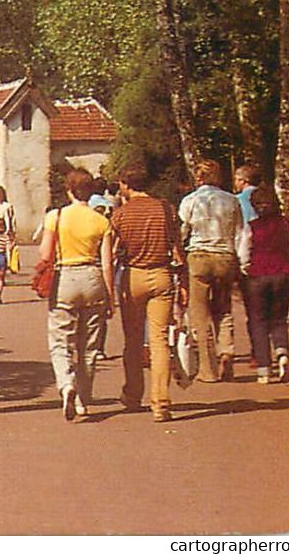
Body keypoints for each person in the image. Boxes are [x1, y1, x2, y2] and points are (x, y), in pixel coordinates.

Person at [108, 164, 182, 421]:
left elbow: (114, 248)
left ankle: (132, 393)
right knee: (160, 341)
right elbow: (177, 247)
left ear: (126, 185)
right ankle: (160, 402)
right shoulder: (166, 209)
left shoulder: (120, 214)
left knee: (133, 340)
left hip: (132, 276)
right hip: (161, 275)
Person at [41, 168, 113, 420]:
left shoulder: (55, 217)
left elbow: (44, 254)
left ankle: (66, 384)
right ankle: (83, 398)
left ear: (69, 190)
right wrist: (110, 296)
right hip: (92, 277)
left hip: (64, 279)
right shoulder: (101, 221)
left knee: (61, 340)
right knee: (89, 345)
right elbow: (107, 263)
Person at [178, 158, 243, 383]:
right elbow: (240, 232)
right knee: (224, 308)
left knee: (200, 313)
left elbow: (183, 230)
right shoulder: (232, 200)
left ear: (199, 177)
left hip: (199, 256)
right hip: (225, 255)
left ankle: (208, 368)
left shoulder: (191, 200)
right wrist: (240, 261)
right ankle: (227, 351)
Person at [236, 186, 289, 384]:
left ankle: (264, 368)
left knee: (258, 320)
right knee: (278, 318)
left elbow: (244, 252)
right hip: (282, 273)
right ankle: (282, 352)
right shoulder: (286, 224)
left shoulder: (252, 226)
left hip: (257, 276)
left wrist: (245, 269)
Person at [88, 189, 116, 358]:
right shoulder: (105, 228)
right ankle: (98, 348)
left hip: (84, 269)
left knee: (84, 313)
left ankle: (87, 346)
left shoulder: (85, 227)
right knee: (100, 314)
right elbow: (108, 261)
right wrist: (111, 291)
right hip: (99, 271)